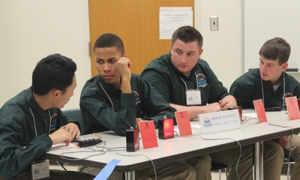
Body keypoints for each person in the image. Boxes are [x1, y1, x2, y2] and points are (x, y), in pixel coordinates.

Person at [141, 26, 283, 180]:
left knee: (263, 150)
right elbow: (163, 109)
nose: (183, 59)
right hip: (171, 143)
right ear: (171, 48)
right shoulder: (156, 72)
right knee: (202, 161)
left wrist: (229, 100)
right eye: (178, 52)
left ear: (200, 53)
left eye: (190, 54)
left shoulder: (202, 67)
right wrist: (207, 110)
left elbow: (222, 96)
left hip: (203, 136)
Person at [79, 33, 211, 180]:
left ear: (124, 59)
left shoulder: (138, 81)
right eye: (100, 62)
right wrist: (126, 84)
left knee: (190, 169)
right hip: (100, 161)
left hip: (138, 153)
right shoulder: (90, 94)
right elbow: (125, 127)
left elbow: (168, 112)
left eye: (112, 61)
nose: (106, 68)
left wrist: (146, 124)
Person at [0, 54, 94, 180]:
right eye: (72, 89)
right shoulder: (13, 115)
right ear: (56, 94)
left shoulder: (49, 104)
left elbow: (63, 123)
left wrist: (72, 125)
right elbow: (6, 165)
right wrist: (48, 140)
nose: (72, 94)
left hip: (39, 172)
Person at [230, 37, 300, 180]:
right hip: (250, 137)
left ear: (284, 67)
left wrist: (285, 134)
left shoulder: (293, 86)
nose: (263, 68)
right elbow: (232, 122)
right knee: (275, 151)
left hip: (283, 134)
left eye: (270, 65)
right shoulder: (243, 85)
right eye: (261, 62)